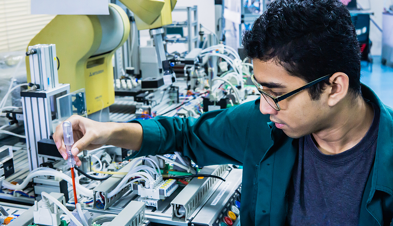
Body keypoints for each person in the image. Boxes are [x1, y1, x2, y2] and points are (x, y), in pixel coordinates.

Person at [54, 0, 393, 225]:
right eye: (260, 90)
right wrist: (106, 132)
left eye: (276, 94)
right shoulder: (263, 126)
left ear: (334, 87)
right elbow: (183, 133)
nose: (263, 106)